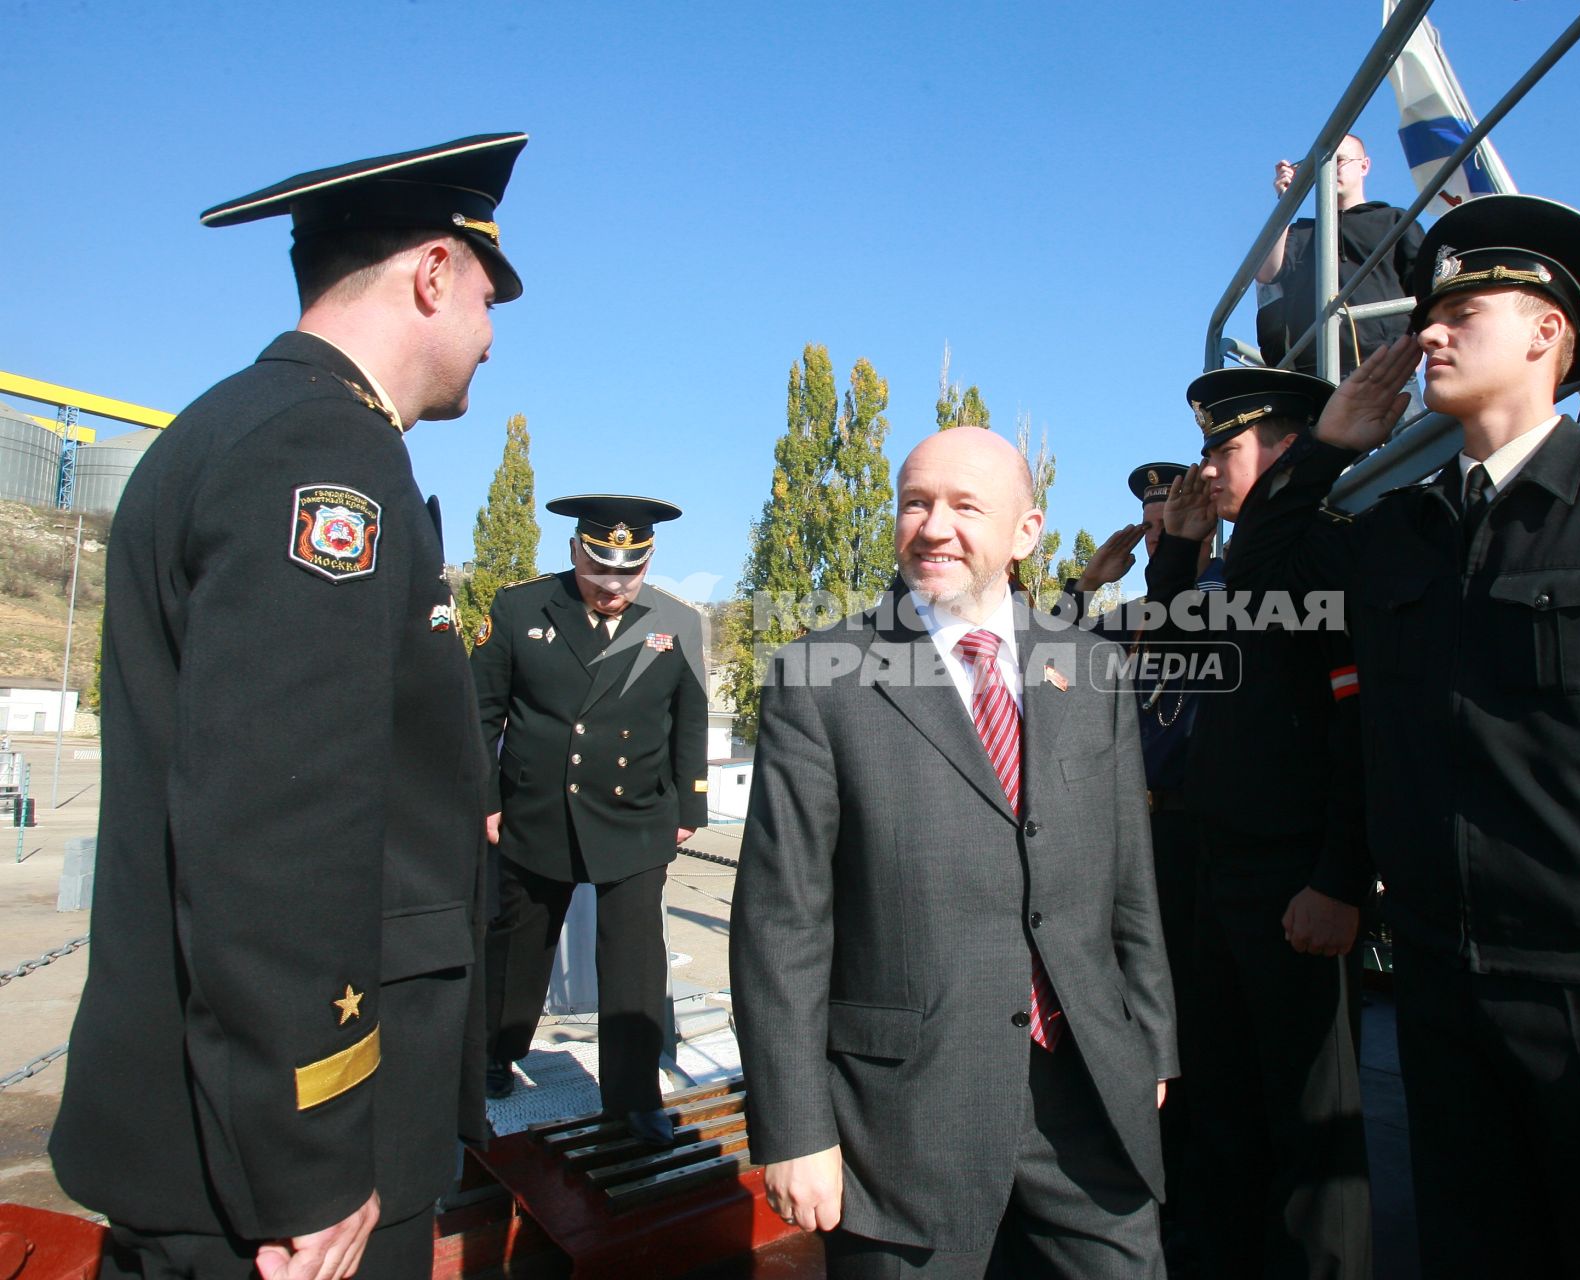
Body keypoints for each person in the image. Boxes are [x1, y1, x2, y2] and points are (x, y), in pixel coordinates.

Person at [1238, 193, 1580, 1279]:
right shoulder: (1398, 529)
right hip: (1437, 980)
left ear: (1548, 333)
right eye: (1426, 313)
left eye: (1463, 309)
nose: (1427, 332)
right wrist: (1332, 445)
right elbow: (1259, 583)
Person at [51, 132, 529, 1280]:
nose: (494, 331)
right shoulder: (324, 453)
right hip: (294, 1184)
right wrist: (311, 1157)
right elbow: (276, 829)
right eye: (486, 291)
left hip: (238, 1140)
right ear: (429, 271)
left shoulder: (241, 429)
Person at [731, 427, 1179, 1278]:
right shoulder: (819, 679)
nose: (934, 526)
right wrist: (794, 1130)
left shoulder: (1091, 672)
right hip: (901, 1130)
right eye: (915, 503)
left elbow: (1129, 885)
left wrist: (1149, 1044)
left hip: (1088, 1104)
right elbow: (781, 926)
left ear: (1026, 531)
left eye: (966, 506)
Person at [1147, 372, 1374, 1279]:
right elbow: (1176, 668)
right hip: (1219, 868)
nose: (1204, 468)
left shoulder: (1321, 551)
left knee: (1311, 1127)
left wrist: (1341, 879)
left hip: (1295, 877)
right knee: (1223, 1101)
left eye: (1223, 448)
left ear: (1284, 451)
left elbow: (1361, 727)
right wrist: (1177, 558)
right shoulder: (1235, 564)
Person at [473, 495, 709, 1146]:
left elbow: (689, 719)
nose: (612, 586)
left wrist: (689, 806)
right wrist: (484, 798)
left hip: (636, 814)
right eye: (599, 569)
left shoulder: (677, 621)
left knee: (635, 962)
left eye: (626, 573)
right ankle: (496, 1052)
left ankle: (633, 1101)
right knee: (519, 948)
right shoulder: (520, 609)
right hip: (537, 810)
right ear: (575, 550)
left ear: (648, 560)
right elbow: (481, 712)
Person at [1061, 463, 1211, 1269]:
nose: (1156, 536)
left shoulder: (1232, 599)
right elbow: (1028, 658)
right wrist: (1086, 585)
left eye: (1168, 522)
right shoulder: (1120, 624)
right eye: (1148, 526)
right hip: (1125, 846)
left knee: (1193, 1029)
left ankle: (1193, 1198)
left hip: (1198, 845)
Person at [1255, 133, 1424, 378]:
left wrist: (1419, 343)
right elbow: (1267, 273)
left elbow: (1421, 283)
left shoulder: (1396, 220)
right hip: (1317, 371)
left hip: (1390, 365)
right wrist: (1286, 201)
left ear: (1364, 165)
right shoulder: (1300, 232)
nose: (1331, 169)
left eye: (1339, 160)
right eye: (1324, 163)